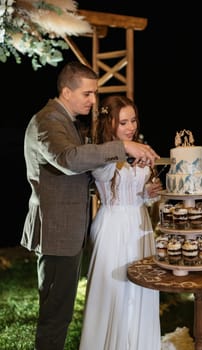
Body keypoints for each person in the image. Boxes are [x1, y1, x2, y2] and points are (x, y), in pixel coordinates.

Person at [20, 61, 159, 350]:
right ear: (66, 91)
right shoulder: (47, 121)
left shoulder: (69, 123)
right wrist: (123, 148)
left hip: (68, 232)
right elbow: (69, 160)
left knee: (61, 312)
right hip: (56, 233)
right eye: (87, 94)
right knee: (55, 315)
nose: (93, 100)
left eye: (94, 94)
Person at [79, 95, 162, 350]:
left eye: (133, 120)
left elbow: (140, 192)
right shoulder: (101, 153)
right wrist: (125, 148)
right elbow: (102, 171)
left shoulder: (140, 148)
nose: (130, 127)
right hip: (114, 224)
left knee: (142, 287)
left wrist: (149, 193)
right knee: (114, 288)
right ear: (109, 124)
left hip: (140, 223)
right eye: (123, 122)